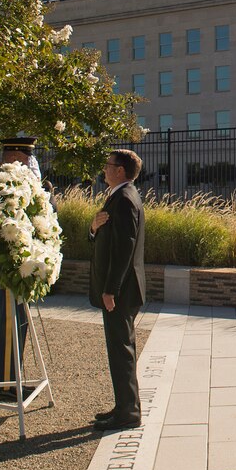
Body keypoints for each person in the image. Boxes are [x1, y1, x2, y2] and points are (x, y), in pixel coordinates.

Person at [89, 149, 146, 431]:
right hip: (121, 289)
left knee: (121, 350)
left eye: (108, 165)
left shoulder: (124, 199)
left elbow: (124, 248)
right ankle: (125, 405)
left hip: (121, 291)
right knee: (121, 349)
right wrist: (92, 227)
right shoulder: (118, 195)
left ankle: (128, 413)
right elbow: (106, 235)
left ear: (120, 170)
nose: (104, 168)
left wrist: (110, 289)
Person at [0, 136, 40, 402]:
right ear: (12, 156)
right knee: (10, 322)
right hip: (6, 267)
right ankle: (5, 384)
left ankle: (14, 377)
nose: (30, 162)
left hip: (21, 267)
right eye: (26, 156)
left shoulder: (22, 183)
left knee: (19, 323)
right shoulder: (2, 185)